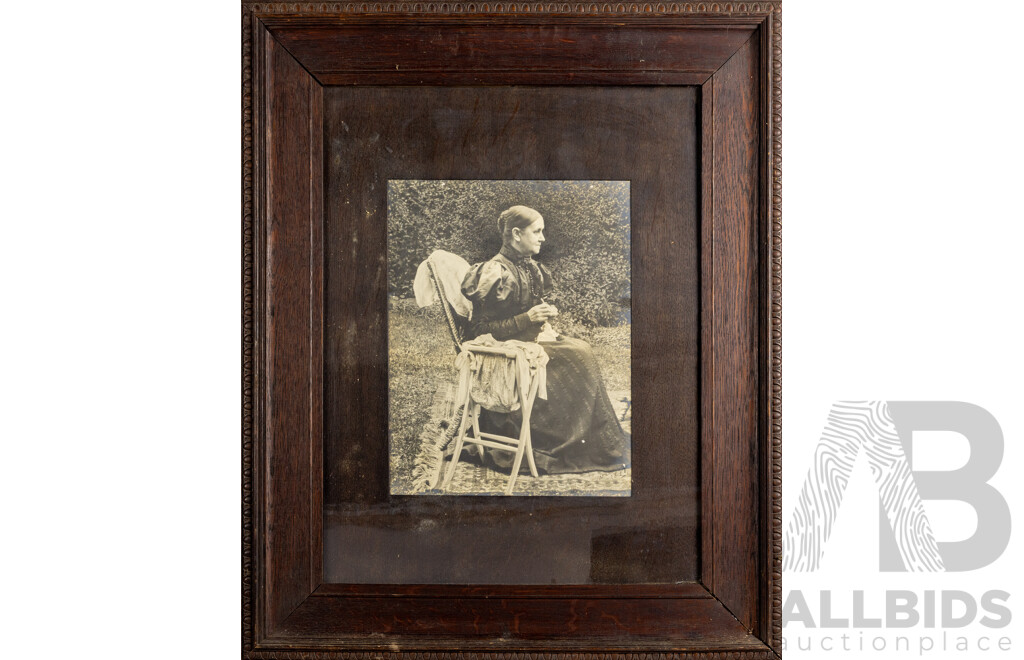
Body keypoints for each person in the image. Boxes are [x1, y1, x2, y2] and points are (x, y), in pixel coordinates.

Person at [457, 205, 631, 475]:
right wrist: (527, 318)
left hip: (524, 344)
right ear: (517, 234)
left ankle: (585, 436)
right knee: (579, 354)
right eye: (537, 231)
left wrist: (542, 315)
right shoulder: (493, 272)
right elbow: (478, 330)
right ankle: (565, 440)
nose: (542, 238)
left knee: (579, 348)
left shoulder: (528, 268)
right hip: (500, 352)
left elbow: (524, 313)